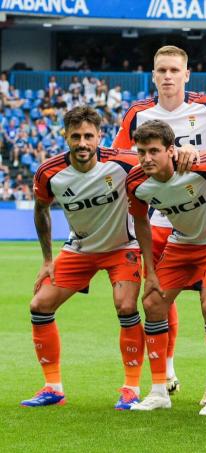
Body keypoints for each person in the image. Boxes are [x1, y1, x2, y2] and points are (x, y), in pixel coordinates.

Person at [113, 45, 206, 398]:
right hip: (162, 215)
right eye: (161, 70)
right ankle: (165, 369)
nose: (167, 76)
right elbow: (123, 156)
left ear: (186, 74)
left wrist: (203, 156)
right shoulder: (138, 113)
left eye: (174, 70)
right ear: (153, 75)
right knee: (158, 294)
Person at [22, 106, 145, 411]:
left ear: (99, 136)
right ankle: (53, 387)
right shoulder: (50, 172)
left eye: (88, 136)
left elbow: (157, 171)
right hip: (79, 249)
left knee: (126, 305)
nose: (82, 143)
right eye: (75, 136)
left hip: (123, 247)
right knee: (40, 305)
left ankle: (131, 388)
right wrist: (48, 260)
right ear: (65, 136)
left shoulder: (123, 162)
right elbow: (41, 210)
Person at [126, 120, 206, 414]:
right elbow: (141, 223)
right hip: (182, 242)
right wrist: (150, 272)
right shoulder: (137, 182)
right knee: (152, 302)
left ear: (171, 151)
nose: (146, 158)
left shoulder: (198, 164)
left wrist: (195, 150)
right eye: (141, 152)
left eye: (153, 151)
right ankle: (159, 390)